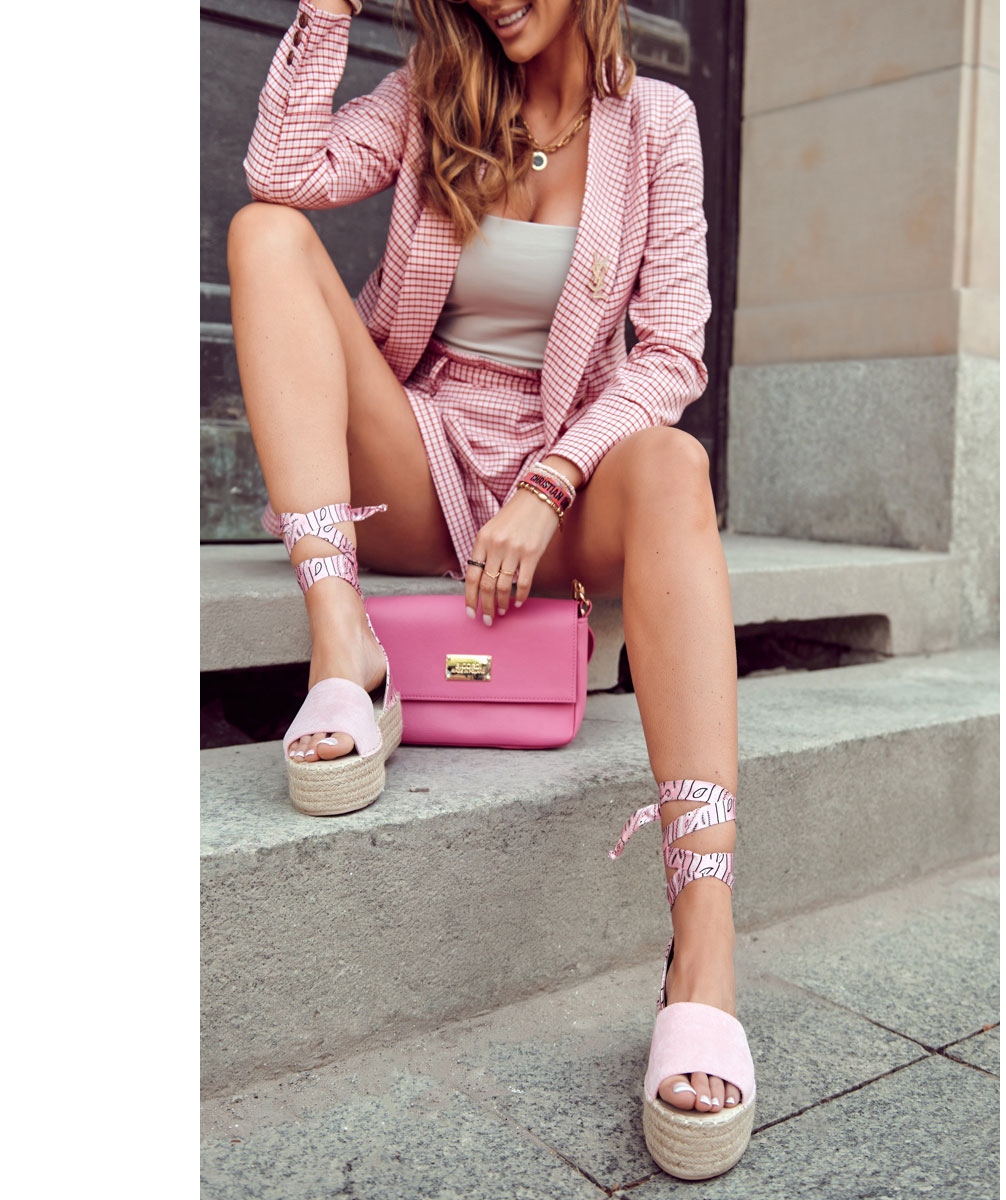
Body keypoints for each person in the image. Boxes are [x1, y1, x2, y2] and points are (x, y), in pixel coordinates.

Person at [227, 0, 755, 1179]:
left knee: (676, 465)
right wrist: (328, 9)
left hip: (562, 479)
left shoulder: (658, 124)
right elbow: (284, 170)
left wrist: (554, 481)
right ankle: (343, 646)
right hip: (417, 453)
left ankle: (704, 941)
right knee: (265, 234)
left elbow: (672, 351)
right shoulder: (435, 86)